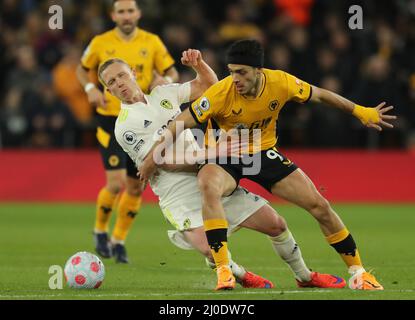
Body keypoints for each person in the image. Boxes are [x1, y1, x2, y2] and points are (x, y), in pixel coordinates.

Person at [139, 39, 397, 290]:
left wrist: (359, 111)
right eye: (231, 72)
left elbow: (320, 94)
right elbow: (181, 122)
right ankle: (224, 270)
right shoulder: (221, 92)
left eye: (241, 73)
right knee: (209, 183)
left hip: (262, 151)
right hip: (224, 155)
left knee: (319, 205)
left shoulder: (280, 82)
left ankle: (358, 272)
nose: (235, 79)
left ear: (259, 71)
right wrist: (152, 158)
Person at [98, 50, 347, 290]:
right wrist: (214, 152)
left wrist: (198, 64)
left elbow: (210, 88)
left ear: (132, 72)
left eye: (121, 75)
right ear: (108, 90)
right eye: (112, 82)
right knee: (211, 249)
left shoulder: (163, 94)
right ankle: (240, 274)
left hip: (207, 175)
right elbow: (163, 161)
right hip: (177, 192)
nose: (119, 83)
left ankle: (304, 276)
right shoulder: (125, 127)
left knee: (277, 225)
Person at [76, 0, 179, 263]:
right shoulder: (100, 42)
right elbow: (82, 68)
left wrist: (164, 81)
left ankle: (118, 240)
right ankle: (100, 230)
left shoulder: (152, 42)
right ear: (113, 15)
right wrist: (90, 89)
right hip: (110, 122)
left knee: (135, 188)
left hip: (142, 123)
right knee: (115, 183)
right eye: (120, 11)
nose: (126, 15)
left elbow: (172, 72)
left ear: (138, 14)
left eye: (130, 10)